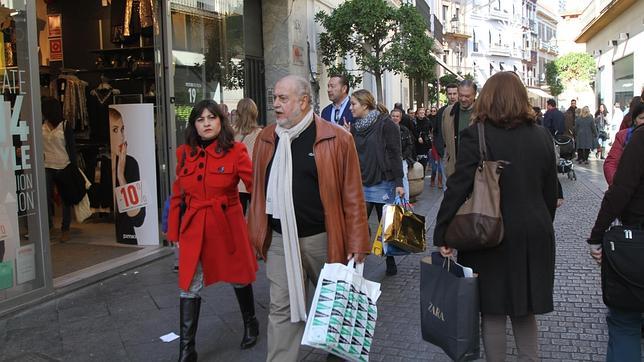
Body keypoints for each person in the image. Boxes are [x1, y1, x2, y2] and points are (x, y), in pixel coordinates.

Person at [434, 71, 558, 361]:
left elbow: (457, 188)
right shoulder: (541, 135)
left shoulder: (475, 135)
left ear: (486, 98)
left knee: (492, 312)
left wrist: (442, 232)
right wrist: (541, 222)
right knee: (525, 311)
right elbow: (550, 191)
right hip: (534, 233)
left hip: (487, 233)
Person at [247, 75, 370, 362]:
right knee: (281, 308)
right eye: (274, 97)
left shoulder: (337, 138)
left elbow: (352, 194)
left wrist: (357, 240)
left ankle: (339, 355)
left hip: (324, 239)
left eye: (283, 99)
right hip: (279, 240)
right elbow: (258, 190)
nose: (275, 104)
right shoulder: (266, 138)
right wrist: (257, 233)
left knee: (336, 307)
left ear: (304, 101)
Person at [166, 100, 259, 360]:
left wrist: (264, 222)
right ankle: (187, 348)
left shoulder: (236, 151)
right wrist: (174, 234)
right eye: (200, 119)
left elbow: (255, 188)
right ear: (193, 125)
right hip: (194, 226)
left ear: (221, 121)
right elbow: (177, 197)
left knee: (239, 277)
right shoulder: (184, 153)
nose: (206, 123)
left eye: (211, 118)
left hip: (227, 224)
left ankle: (251, 322)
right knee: (189, 285)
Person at [588, 99, 644, 362]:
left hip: (637, 240)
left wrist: (597, 236)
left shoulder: (641, 140)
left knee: (625, 324)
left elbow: (620, 191)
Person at [350, 89, 405, 276]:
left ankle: (390, 258)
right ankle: (357, 261)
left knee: (386, 224)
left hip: (383, 181)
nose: (350, 108)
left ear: (365, 105)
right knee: (359, 224)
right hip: (361, 181)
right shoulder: (354, 125)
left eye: (353, 104)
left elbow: (395, 153)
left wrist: (399, 182)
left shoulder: (386, 124)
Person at [109, 108, 146, 244]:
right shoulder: (102, 163)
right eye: (115, 130)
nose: (121, 136)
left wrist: (120, 175)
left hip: (128, 243)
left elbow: (138, 219)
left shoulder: (130, 163)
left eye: (122, 129)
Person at [41, 97, 75, 242]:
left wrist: (74, 167)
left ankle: (65, 228)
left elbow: (71, 147)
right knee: (45, 198)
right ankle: (48, 226)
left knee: (65, 199)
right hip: (46, 165)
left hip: (64, 165)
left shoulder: (65, 125)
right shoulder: (42, 125)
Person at [603, 96, 644, 185]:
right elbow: (611, 163)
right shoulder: (624, 135)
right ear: (634, 120)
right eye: (642, 118)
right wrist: (617, 185)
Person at [441, 79, 477, 178]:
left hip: (476, 171)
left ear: (474, 95)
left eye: (467, 96)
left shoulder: (482, 113)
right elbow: (445, 137)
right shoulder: (448, 112)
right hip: (454, 169)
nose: (463, 99)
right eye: (461, 95)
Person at [232, 97, 262, 214]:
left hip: (235, 182)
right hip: (252, 181)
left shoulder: (230, 132)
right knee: (256, 219)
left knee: (237, 219)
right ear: (255, 113)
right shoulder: (260, 134)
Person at [432, 83, 458, 190]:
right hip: (445, 152)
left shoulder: (465, 110)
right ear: (446, 95)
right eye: (450, 94)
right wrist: (440, 148)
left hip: (461, 151)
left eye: (454, 93)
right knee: (446, 184)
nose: (452, 96)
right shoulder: (441, 111)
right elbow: (436, 130)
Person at [391, 108, 415, 201]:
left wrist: (403, 157)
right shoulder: (385, 129)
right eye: (393, 116)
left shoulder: (405, 130)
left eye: (397, 116)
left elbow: (410, 145)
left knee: (403, 178)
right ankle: (394, 201)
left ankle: (405, 201)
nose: (395, 118)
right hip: (390, 159)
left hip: (402, 159)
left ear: (400, 118)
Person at [414, 107, 431, 173]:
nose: (422, 114)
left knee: (424, 162)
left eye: (423, 113)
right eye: (420, 113)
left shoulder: (427, 121)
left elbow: (430, 130)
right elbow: (413, 131)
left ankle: (423, 175)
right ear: (417, 114)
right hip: (416, 144)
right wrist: (418, 137)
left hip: (425, 144)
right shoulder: (414, 121)